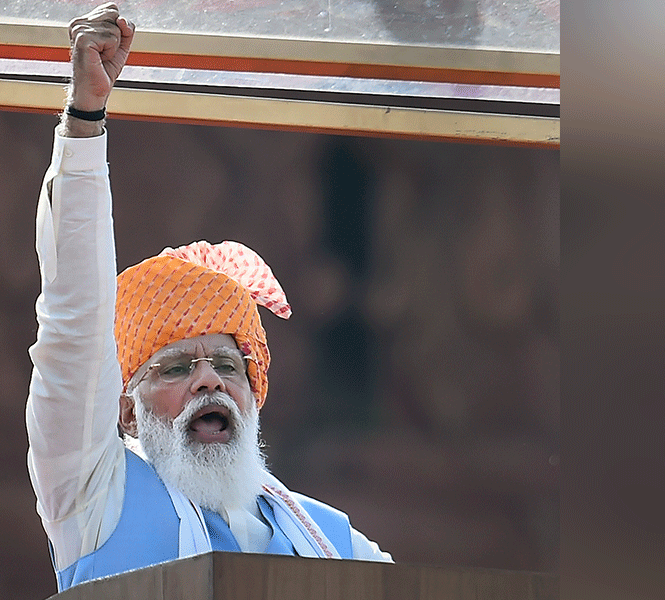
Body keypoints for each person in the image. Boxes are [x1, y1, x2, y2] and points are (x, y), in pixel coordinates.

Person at [26, 3, 392, 592]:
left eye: (227, 365)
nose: (208, 381)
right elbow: (74, 323)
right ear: (127, 411)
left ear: (253, 394)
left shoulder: (332, 542)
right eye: (175, 367)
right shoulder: (95, 498)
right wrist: (85, 117)